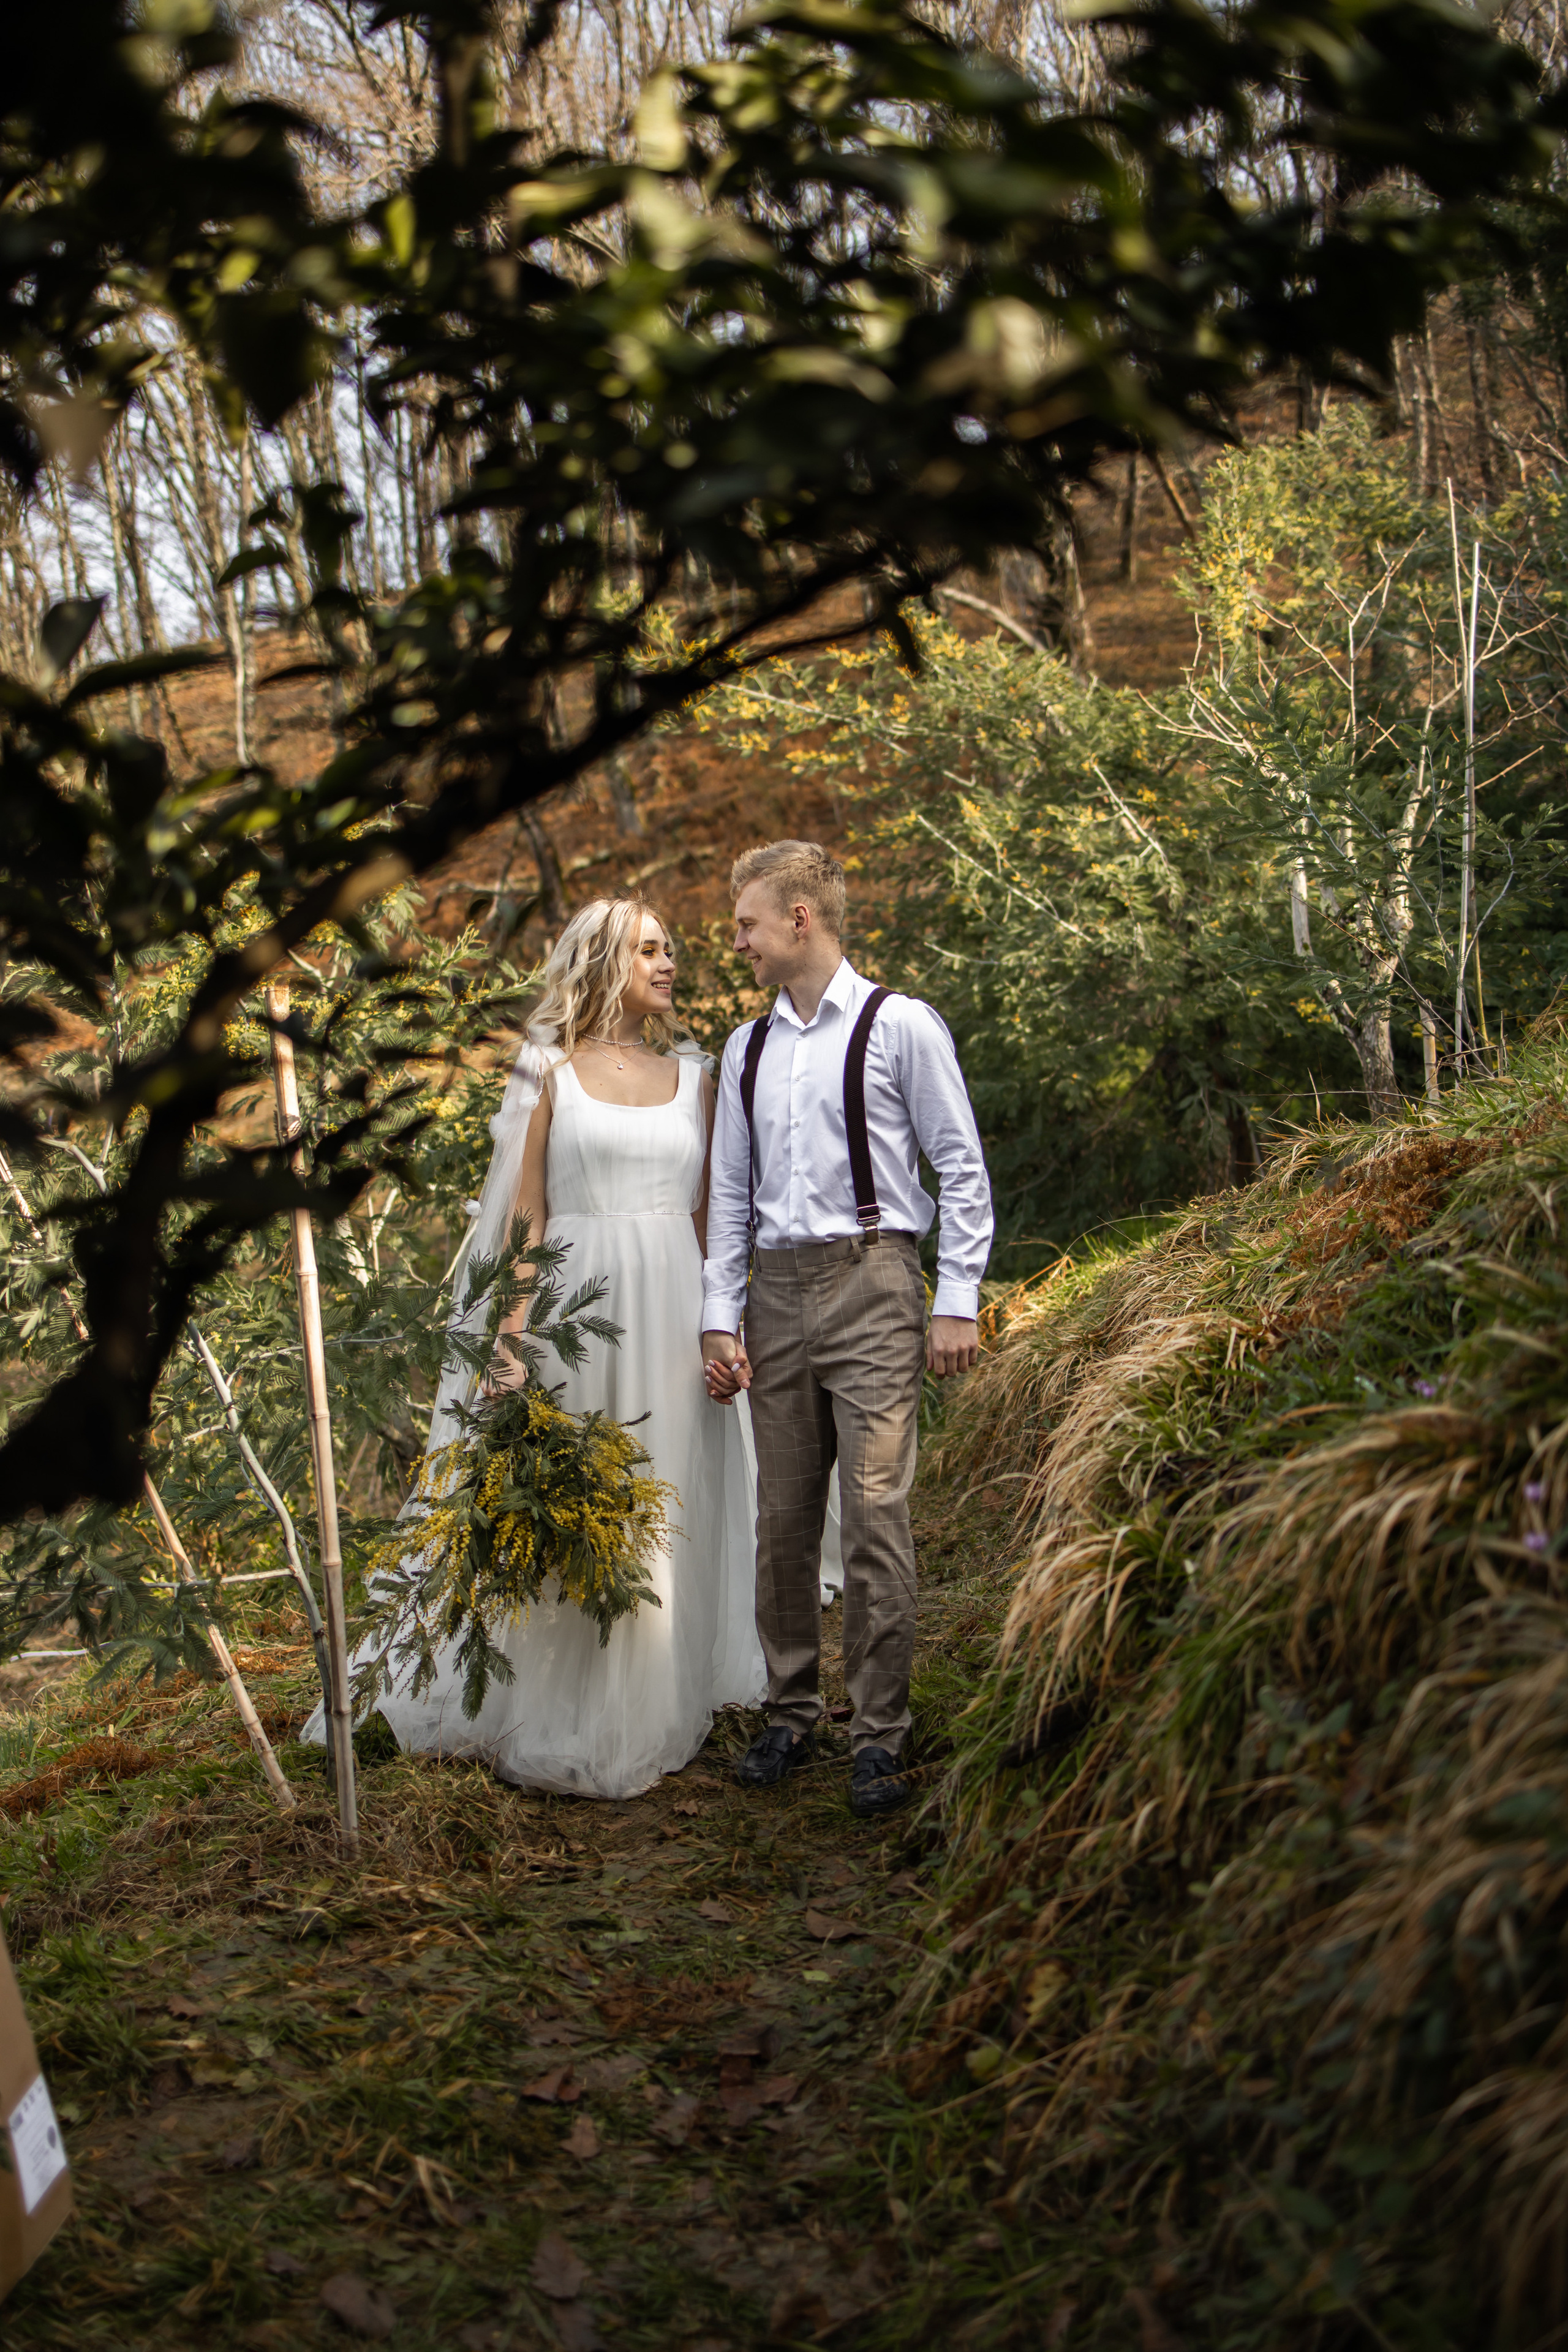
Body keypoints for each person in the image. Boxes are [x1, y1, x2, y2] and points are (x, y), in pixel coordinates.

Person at [318, 897, 766, 1798]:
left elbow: (712, 1216)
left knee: (672, 1490)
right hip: (579, 1307)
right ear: (603, 962)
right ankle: (559, 1699)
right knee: (582, 1497)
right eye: (648, 950)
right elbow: (526, 1218)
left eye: (669, 948)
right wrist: (510, 1340)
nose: (669, 963)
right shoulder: (546, 1073)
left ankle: (659, 1695)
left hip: (678, 1309)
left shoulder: (698, 1074)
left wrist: (730, 1324)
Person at [701, 841, 993, 1819]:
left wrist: (956, 1297)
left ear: (798, 919)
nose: (735, 941)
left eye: (746, 923)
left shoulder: (900, 1026)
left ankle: (880, 1733)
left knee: (873, 1515)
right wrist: (718, 1318)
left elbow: (961, 1166)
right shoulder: (744, 1051)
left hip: (874, 1281)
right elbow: (731, 1197)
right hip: (772, 1296)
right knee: (783, 1519)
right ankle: (790, 1711)